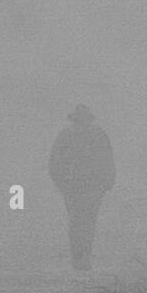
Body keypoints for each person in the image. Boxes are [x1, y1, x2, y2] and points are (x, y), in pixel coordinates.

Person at [48, 104, 115, 271]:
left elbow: (108, 160)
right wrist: (62, 183)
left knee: (86, 221)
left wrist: (106, 182)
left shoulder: (98, 136)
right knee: (78, 221)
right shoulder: (67, 136)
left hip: (91, 187)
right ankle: (79, 259)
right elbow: (54, 163)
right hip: (75, 187)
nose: (82, 122)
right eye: (80, 119)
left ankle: (83, 258)